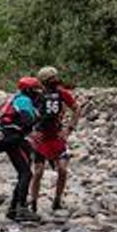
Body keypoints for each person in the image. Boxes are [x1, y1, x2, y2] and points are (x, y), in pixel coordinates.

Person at [27, 66, 80, 213]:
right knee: (38, 171)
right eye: (51, 78)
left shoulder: (62, 93)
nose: (55, 80)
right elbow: (25, 114)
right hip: (41, 137)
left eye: (55, 77)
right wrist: (30, 132)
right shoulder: (36, 96)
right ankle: (34, 202)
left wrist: (69, 129)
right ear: (44, 81)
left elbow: (76, 108)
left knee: (62, 170)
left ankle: (57, 200)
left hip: (57, 136)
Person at [0, 76, 43, 222]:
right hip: (13, 139)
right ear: (28, 90)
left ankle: (14, 208)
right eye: (35, 90)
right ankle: (21, 209)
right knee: (26, 173)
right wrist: (38, 116)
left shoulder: (18, 98)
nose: (37, 93)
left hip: (14, 138)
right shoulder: (24, 100)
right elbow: (27, 119)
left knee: (24, 172)